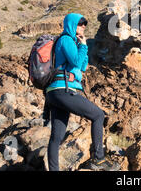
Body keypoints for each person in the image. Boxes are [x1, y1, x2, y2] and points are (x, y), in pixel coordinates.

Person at [45, 13, 119, 171]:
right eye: (80, 23)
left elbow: (82, 66)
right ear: (71, 25)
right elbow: (76, 62)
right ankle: (99, 159)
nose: (83, 26)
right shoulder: (65, 39)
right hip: (63, 90)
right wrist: (83, 46)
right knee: (98, 115)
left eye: (85, 23)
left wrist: (82, 45)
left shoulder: (72, 42)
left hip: (56, 93)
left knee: (56, 137)